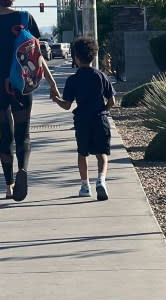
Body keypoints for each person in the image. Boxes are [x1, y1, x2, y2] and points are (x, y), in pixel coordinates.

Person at [0, 0, 59, 201]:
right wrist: (52, 84)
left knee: (5, 130)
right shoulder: (25, 18)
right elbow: (37, 56)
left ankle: (8, 185)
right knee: (23, 130)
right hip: (21, 83)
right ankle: (23, 169)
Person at [50, 36, 117, 201]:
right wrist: (104, 111)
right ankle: (101, 179)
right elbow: (112, 100)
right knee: (102, 153)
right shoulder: (101, 76)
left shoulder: (73, 80)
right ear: (94, 56)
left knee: (82, 153)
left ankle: (85, 186)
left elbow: (66, 105)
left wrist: (55, 98)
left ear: (76, 58)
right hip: (99, 118)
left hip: (82, 121)